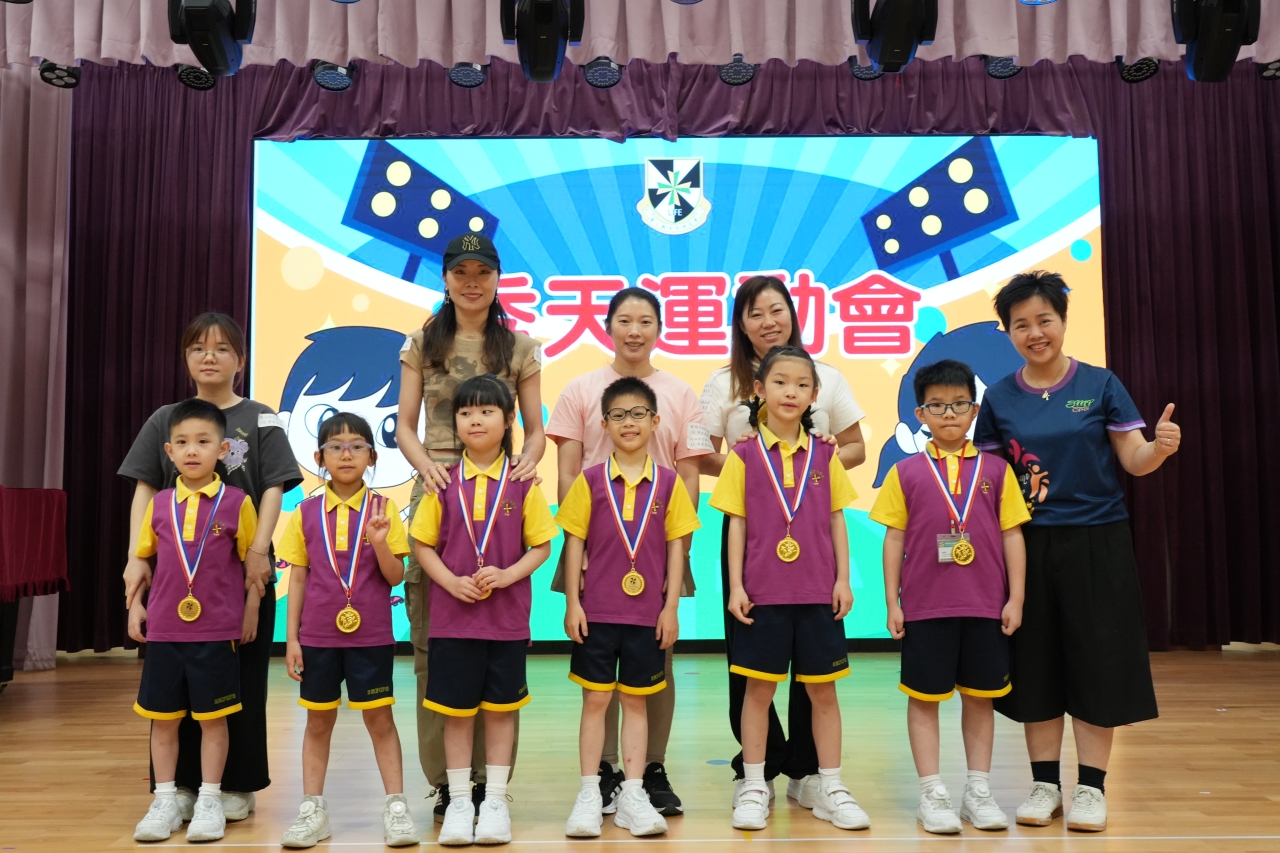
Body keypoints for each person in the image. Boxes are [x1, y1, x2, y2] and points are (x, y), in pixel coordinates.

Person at [974, 271, 1181, 832]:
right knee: (1035, 663)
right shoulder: (999, 398)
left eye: (1044, 320)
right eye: (1021, 324)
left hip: (1097, 541)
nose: (1035, 333)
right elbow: (989, 481)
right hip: (1026, 545)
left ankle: (1091, 788)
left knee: (1098, 662)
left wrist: (1159, 450)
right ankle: (1045, 785)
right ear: (1008, 332)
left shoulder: (1100, 383)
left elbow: (1134, 459)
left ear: (1063, 321)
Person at [121, 313, 302, 822]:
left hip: (240, 573)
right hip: (177, 579)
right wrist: (136, 558)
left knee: (241, 682)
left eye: (222, 348)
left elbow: (273, 487)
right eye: (198, 347)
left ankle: (234, 784)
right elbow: (145, 488)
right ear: (186, 358)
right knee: (172, 687)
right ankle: (176, 788)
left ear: (240, 360)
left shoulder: (262, 417)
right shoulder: (165, 418)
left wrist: (259, 553)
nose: (209, 356)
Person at [698, 275, 867, 809]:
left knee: (817, 674)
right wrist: (754, 470)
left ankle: (811, 771)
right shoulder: (723, 381)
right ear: (740, 323)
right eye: (755, 312)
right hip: (752, 530)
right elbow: (701, 452)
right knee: (753, 665)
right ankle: (757, 772)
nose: (768, 321)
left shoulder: (828, 377)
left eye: (777, 309)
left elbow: (856, 448)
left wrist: (814, 461)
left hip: (811, 531)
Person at [396, 234, 546, 821]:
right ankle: (448, 783)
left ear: (498, 278)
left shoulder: (520, 347)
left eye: (483, 272)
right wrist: (428, 467)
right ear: (446, 279)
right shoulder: (421, 343)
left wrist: (527, 462)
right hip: (439, 492)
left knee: (499, 645)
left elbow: (535, 428)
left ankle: (492, 785)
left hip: (502, 495)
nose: (472, 282)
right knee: (435, 649)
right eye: (462, 273)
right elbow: (405, 426)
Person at [545, 287, 711, 815]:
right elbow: (567, 474)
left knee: (655, 656)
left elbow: (689, 474)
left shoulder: (682, 394)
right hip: (594, 546)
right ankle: (604, 770)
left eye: (645, 321)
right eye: (624, 320)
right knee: (598, 666)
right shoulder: (579, 390)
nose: (634, 331)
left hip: (659, 544)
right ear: (608, 326)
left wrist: (678, 549)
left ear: (659, 328)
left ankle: (651, 768)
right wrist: (579, 551)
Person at [869, 359, 1029, 835]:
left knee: (980, 699)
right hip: (925, 607)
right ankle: (931, 793)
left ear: (974, 410)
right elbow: (893, 539)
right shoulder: (905, 472)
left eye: (959, 404)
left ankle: (977, 791)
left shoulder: (996, 470)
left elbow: (1013, 535)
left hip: (985, 605)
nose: (949, 414)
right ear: (920, 414)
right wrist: (893, 602)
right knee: (924, 699)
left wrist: (1016, 598)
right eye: (937, 406)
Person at [409, 376, 558, 846]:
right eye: (466, 412)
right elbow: (421, 545)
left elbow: (541, 545)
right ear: (454, 422)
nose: (476, 420)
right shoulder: (441, 481)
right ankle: (458, 801)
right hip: (452, 622)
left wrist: (509, 575)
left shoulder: (522, 481)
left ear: (509, 419)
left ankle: (493, 800)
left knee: (499, 711)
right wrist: (450, 582)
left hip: (506, 622)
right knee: (455, 714)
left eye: (487, 411)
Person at [276, 413, 418, 848]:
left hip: (370, 636)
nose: (346, 454)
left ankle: (396, 807)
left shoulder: (384, 510)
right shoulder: (305, 512)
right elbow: (298, 578)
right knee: (318, 721)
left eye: (357, 446)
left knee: (380, 719)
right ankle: (312, 810)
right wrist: (293, 639)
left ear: (372, 457)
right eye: (335, 447)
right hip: (317, 638)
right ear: (319, 457)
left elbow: (395, 576)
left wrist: (380, 541)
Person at [128, 399, 260, 843]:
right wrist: (135, 606)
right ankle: (165, 799)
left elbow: (252, 567)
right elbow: (143, 562)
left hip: (217, 633)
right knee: (164, 720)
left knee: (213, 720)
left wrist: (252, 609)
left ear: (222, 450)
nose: (191, 450)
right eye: (182, 442)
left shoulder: (238, 502)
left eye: (203, 442)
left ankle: (209, 799)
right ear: (168, 452)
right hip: (165, 631)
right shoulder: (159, 503)